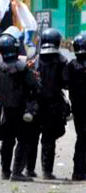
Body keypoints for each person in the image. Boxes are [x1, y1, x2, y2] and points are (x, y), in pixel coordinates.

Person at [0, 28, 39, 181]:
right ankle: (17, 172)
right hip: (20, 109)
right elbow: (33, 86)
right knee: (24, 140)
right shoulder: (20, 66)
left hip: (6, 111)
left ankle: (5, 171)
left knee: (7, 141)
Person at [25, 28, 70, 179]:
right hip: (53, 106)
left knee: (31, 138)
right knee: (48, 140)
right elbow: (65, 83)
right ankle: (47, 171)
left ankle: (29, 170)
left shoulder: (33, 58)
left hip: (35, 105)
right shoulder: (62, 60)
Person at [64, 33, 86, 181]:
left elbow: (64, 83)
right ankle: (79, 170)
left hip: (77, 109)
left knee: (81, 137)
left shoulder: (71, 65)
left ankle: (78, 170)